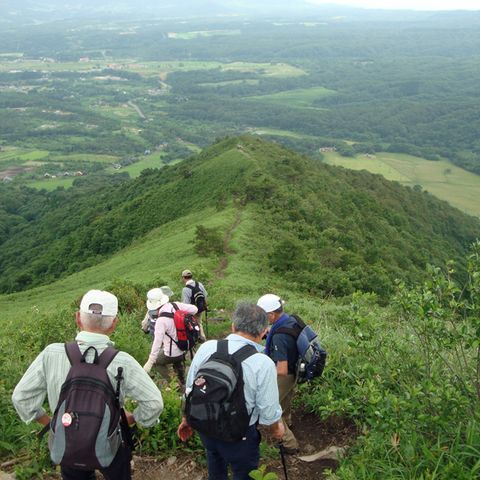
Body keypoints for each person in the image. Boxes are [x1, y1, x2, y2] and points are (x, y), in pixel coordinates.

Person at [12, 289, 164, 480]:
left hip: (67, 442)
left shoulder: (51, 354)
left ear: (78, 318)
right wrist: (131, 419)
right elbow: (154, 402)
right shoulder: (122, 361)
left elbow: (21, 397)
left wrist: (53, 424)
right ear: (114, 323)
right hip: (111, 443)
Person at [177, 302, 285, 480]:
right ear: (264, 331)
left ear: (233, 326)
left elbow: (191, 389)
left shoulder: (207, 348)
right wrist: (276, 429)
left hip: (206, 425)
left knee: (215, 463)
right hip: (239, 436)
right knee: (244, 473)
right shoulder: (263, 362)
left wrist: (186, 418)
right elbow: (268, 410)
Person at [257, 293, 299, 454]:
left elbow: (281, 369)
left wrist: (264, 372)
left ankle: (289, 444)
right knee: (286, 397)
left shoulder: (280, 336)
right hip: (295, 370)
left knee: (272, 406)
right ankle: (287, 420)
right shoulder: (290, 320)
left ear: (271, 315)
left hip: (284, 374)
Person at [142, 288, 197, 391]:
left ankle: (173, 383)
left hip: (173, 353)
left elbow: (157, 344)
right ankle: (183, 381)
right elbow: (195, 309)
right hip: (185, 346)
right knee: (177, 359)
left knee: (157, 362)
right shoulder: (175, 305)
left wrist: (149, 362)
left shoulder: (161, 321)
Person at [181, 269, 207, 341]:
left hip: (192, 310)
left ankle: (201, 338)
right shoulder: (199, 284)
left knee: (194, 324)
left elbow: (185, 303)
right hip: (201, 307)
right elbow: (205, 295)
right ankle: (200, 337)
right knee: (199, 322)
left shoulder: (185, 289)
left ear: (183, 278)